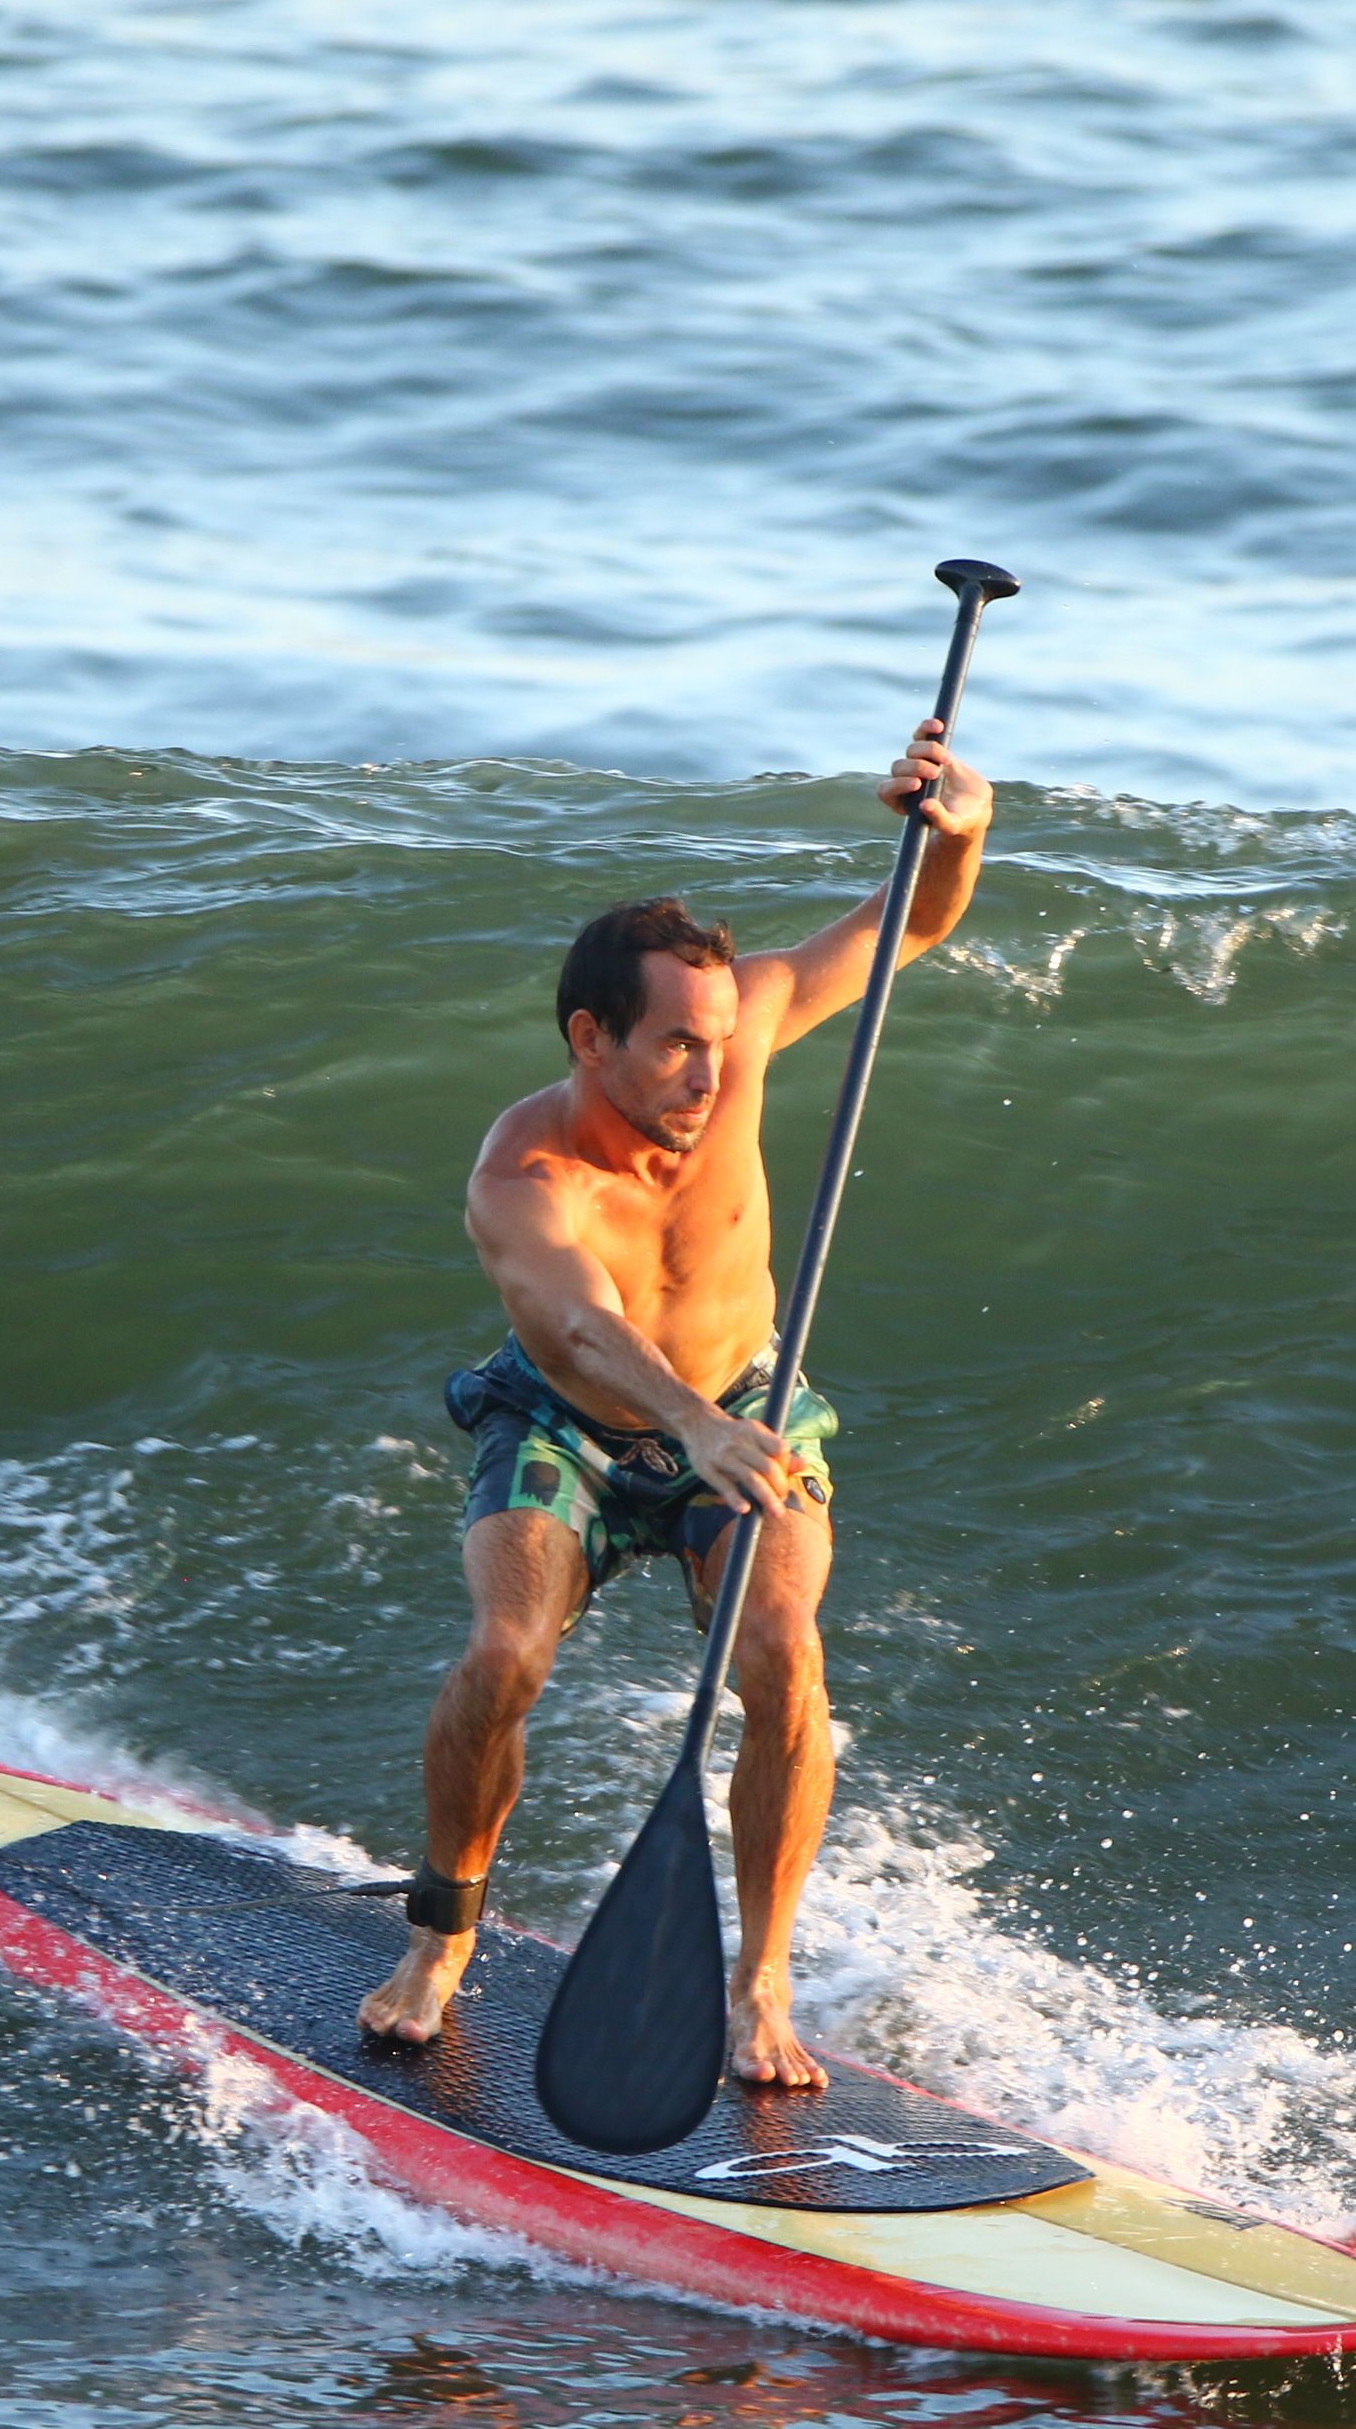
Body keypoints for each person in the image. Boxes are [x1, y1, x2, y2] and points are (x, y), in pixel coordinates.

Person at [356, 716, 995, 2087]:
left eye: (718, 1043)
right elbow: (577, 1327)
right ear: (591, 1038)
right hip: (569, 1422)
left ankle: (760, 1985)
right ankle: (442, 1931)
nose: (711, 1077)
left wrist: (964, 828)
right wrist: (685, 1430)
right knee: (504, 1658)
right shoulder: (523, 1174)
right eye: (673, 1050)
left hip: (747, 1395)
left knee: (786, 1664)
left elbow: (911, 927)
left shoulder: (745, 1027)